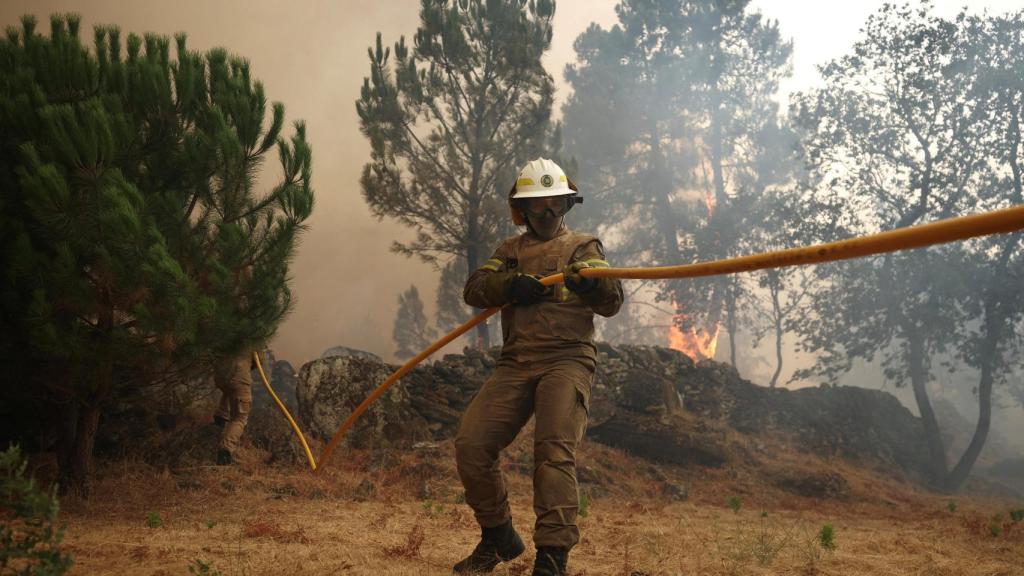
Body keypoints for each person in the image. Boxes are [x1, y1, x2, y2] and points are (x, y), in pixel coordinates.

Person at [454, 158, 624, 576]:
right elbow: (475, 288)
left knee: (552, 450)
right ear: (522, 211)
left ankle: (552, 556)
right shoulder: (508, 253)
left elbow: (612, 302)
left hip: (567, 360)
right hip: (515, 363)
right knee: (472, 444)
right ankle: (497, 536)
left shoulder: (584, 248)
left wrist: (591, 282)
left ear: (568, 205)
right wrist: (508, 286)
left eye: (557, 205)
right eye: (539, 205)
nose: (548, 214)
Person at [213, 350, 254, 465]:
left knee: (229, 391)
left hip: (221, 376)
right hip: (239, 377)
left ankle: (220, 418)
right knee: (240, 418)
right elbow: (259, 358)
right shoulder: (250, 335)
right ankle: (225, 452)